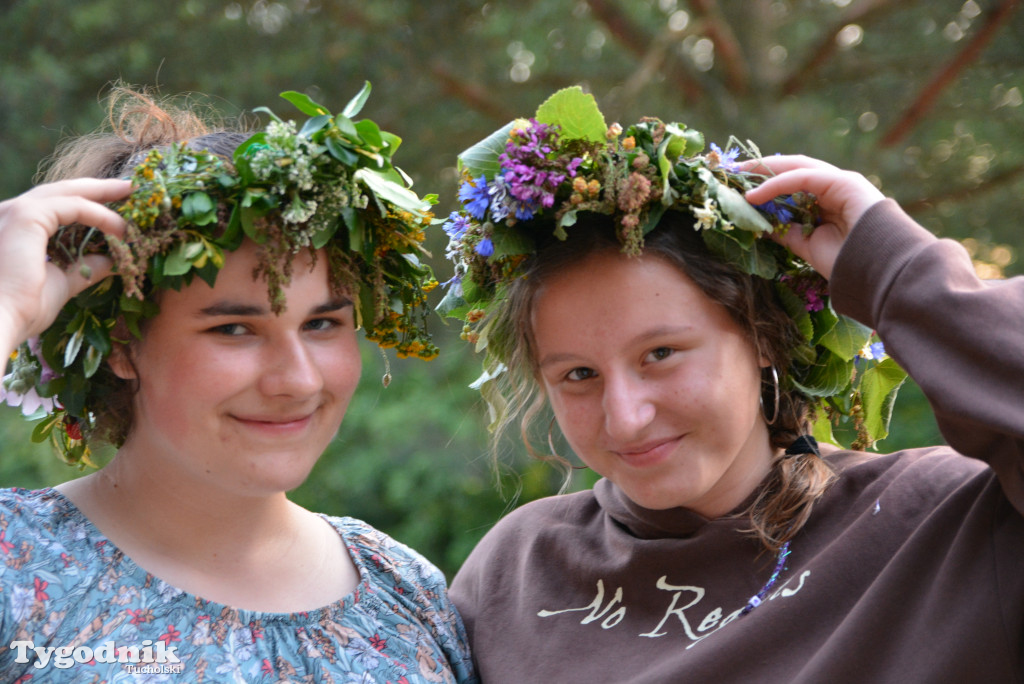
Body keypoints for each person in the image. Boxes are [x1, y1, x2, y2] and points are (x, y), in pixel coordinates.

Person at [438, 87, 1024, 682]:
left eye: (660, 353)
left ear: (762, 336)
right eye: (579, 375)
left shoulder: (942, 521)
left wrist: (897, 268)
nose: (626, 418)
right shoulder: (518, 568)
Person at [0, 84, 476, 682]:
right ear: (122, 344)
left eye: (323, 323)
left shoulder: (406, 592)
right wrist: (8, 309)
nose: (297, 380)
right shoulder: (15, 567)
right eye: (234, 330)